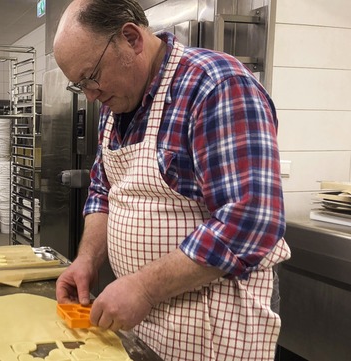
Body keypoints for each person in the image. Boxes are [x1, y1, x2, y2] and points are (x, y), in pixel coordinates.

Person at [52, 1, 291, 360]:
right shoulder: (115, 104)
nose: (90, 94)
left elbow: (251, 219)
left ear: (131, 38)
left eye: (92, 76)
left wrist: (145, 288)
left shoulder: (215, 86)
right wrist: (87, 258)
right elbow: (104, 191)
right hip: (143, 320)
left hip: (212, 327)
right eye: (80, 85)